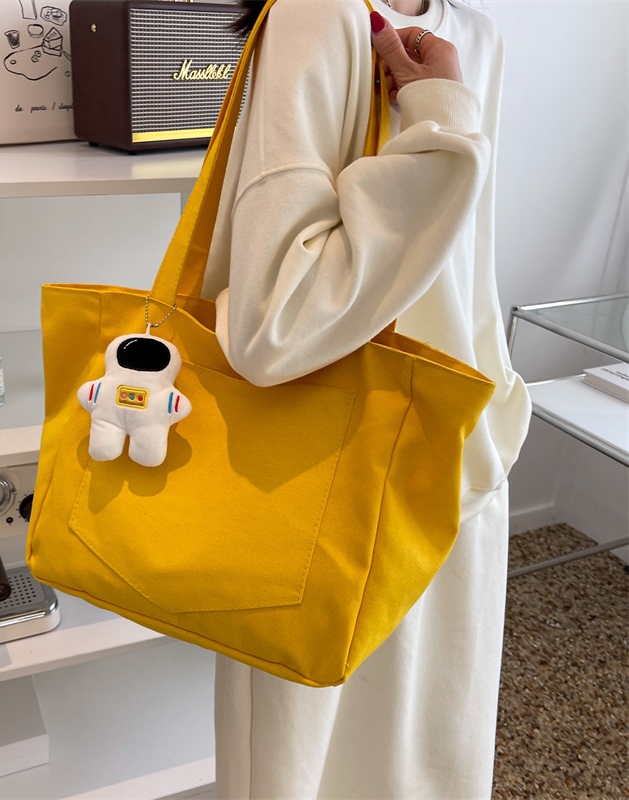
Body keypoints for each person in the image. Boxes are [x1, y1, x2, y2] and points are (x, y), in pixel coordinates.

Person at [202, 0, 532, 796]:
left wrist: (494, 412)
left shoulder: (477, 34)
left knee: (427, 751)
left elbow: (467, 257)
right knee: (324, 759)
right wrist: (441, 116)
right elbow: (274, 326)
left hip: (454, 449)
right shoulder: (317, 15)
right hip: (331, 478)